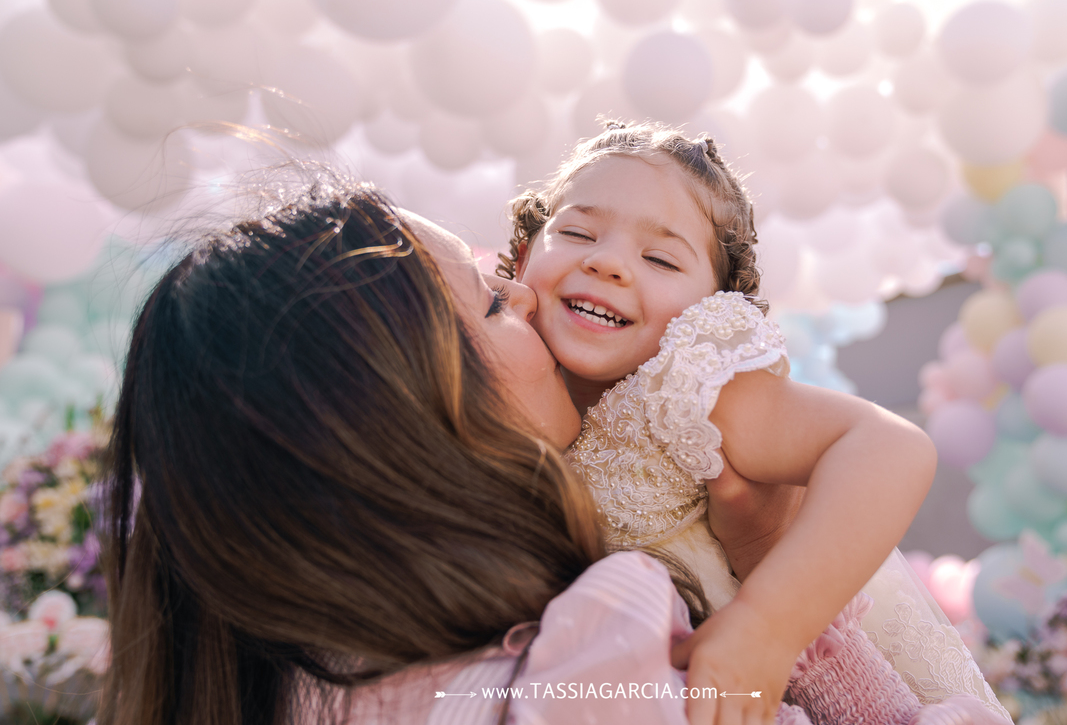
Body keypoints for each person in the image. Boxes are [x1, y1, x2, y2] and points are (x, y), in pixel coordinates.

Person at [97, 164, 818, 725]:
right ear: (404, 416)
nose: (528, 294)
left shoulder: (272, 685)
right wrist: (775, 586)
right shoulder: (595, 646)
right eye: (494, 302)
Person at [498, 122, 1012, 724]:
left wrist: (769, 626)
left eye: (661, 258)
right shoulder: (492, 385)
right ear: (524, 254)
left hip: (813, 680)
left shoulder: (689, 384)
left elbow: (889, 445)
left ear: (713, 303)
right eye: (578, 232)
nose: (608, 262)